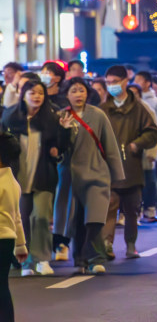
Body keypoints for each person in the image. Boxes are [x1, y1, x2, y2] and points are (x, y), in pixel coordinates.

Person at [54, 78, 125, 275]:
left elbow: (110, 145)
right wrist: (63, 131)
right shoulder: (61, 116)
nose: (79, 94)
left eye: (82, 90)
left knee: (94, 219)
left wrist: (116, 174)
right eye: (74, 91)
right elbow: (57, 148)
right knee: (76, 220)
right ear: (67, 95)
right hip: (70, 177)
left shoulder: (98, 115)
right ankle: (80, 260)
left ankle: (96, 257)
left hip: (96, 174)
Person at [100, 65, 157, 260]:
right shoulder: (102, 110)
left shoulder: (139, 109)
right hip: (108, 169)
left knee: (132, 209)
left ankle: (131, 245)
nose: (111, 86)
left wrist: (137, 144)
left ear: (126, 82)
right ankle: (107, 245)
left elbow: (153, 132)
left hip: (132, 167)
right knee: (109, 207)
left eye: (115, 82)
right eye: (108, 83)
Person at [1, 80, 60, 276]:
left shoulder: (51, 118)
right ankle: (25, 263)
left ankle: (42, 259)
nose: (37, 97)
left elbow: (60, 145)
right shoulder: (10, 116)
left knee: (42, 217)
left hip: (43, 175)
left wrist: (58, 148)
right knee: (20, 220)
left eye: (41, 93)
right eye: (32, 93)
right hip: (18, 176)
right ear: (23, 94)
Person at [0, 132, 26, 322]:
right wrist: (21, 245)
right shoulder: (12, 181)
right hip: (7, 239)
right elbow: (17, 218)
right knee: (2, 288)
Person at [134, 71, 157, 223]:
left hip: (149, 145)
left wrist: (147, 137)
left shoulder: (154, 104)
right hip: (133, 148)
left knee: (149, 179)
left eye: (139, 81)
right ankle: (136, 210)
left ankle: (150, 208)